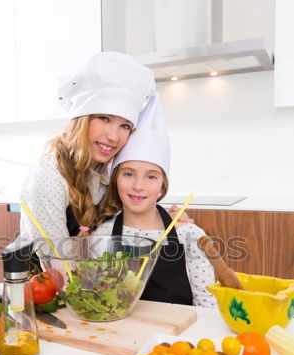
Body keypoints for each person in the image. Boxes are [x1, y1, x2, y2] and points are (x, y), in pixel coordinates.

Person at [20, 51, 192, 251]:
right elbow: (58, 263)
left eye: (125, 126)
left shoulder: (108, 168)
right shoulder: (48, 179)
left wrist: (157, 222)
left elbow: (124, 223)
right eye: (104, 118)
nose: (114, 137)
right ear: (82, 119)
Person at [93, 95, 216, 308]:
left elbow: (207, 305)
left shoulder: (190, 234)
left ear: (162, 186)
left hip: (179, 338)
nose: (138, 185)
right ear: (115, 180)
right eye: (128, 174)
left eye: (151, 176)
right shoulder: (103, 234)